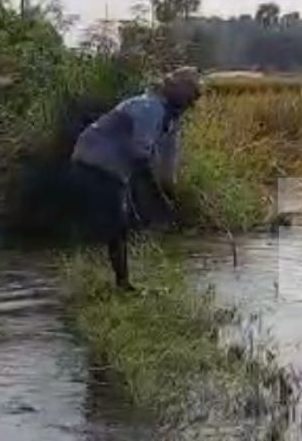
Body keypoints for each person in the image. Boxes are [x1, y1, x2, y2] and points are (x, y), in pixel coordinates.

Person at [72, 66, 203, 291]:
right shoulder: (148, 108)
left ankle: (110, 276)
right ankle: (119, 284)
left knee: (125, 220)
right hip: (93, 159)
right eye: (190, 96)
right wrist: (158, 199)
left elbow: (167, 164)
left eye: (194, 98)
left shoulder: (171, 121)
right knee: (118, 222)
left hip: (115, 166)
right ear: (175, 92)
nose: (191, 103)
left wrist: (170, 196)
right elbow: (140, 156)